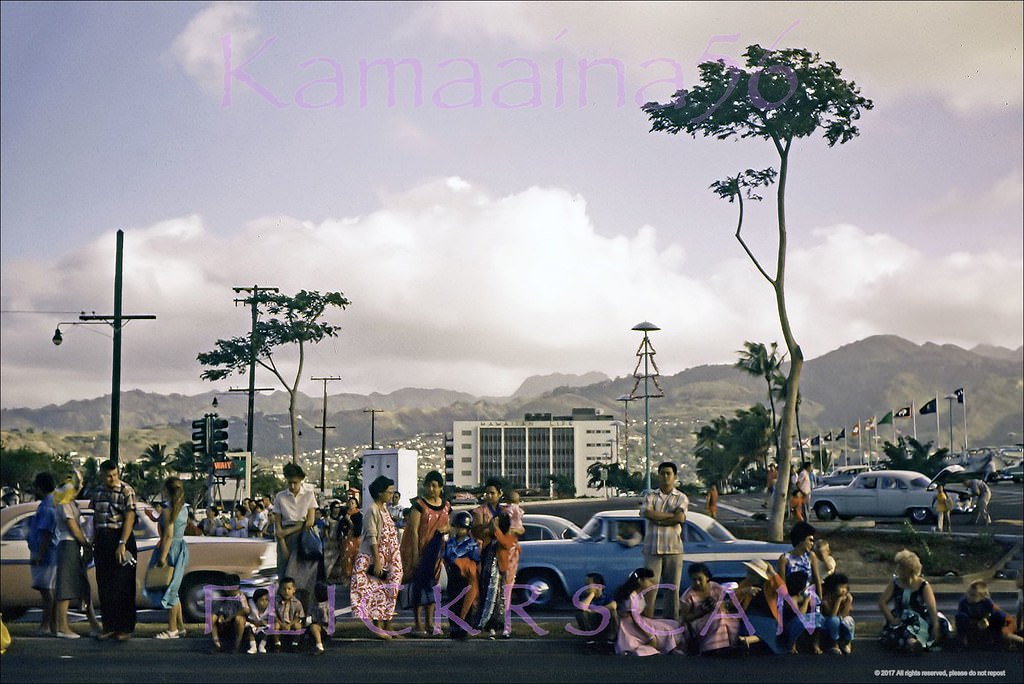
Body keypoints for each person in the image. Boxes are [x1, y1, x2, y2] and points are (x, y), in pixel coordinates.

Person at [89, 459, 138, 641]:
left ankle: (124, 628)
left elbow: (130, 517)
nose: (112, 479)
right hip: (103, 538)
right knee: (105, 584)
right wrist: (92, 542)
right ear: (102, 475)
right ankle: (109, 626)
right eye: (109, 476)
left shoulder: (126, 490)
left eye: (115, 475)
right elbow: (95, 518)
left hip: (121, 537)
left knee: (123, 584)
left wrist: (122, 543)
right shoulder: (98, 491)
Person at [350, 475, 403, 639]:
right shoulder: (372, 510)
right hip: (376, 555)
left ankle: (388, 623)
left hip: (390, 555)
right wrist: (378, 561)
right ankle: (378, 625)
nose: (391, 495)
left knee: (392, 587)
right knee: (376, 590)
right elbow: (372, 536)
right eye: (388, 492)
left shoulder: (384, 509)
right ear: (380, 493)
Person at [52, 471, 101, 639]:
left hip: (73, 545)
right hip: (68, 544)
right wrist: (86, 543)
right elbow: (73, 527)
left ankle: (92, 623)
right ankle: (62, 626)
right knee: (65, 586)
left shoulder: (71, 503)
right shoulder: (65, 503)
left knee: (82, 586)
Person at [402, 471, 451, 637]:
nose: (431, 489)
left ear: (441, 488)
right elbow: (413, 532)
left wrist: (444, 530)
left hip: (437, 553)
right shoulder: (419, 506)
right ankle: (418, 623)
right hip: (421, 551)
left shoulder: (446, 506)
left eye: (435, 486)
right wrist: (415, 555)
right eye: (429, 485)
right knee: (418, 587)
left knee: (433, 588)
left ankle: (430, 622)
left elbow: (449, 525)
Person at [639, 462, 688, 621]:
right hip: (652, 549)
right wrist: (670, 516)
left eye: (668, 473)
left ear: (674, 477)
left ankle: (671, 625)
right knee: (649, 589)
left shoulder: (681, 497)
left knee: (672, 591)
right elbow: (647, 513)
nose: (665, 476)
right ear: (658, 476)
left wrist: (658, 518)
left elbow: (680, 518)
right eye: (662, 473)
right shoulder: (650, 496)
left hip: (673, 549)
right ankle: (647, 624)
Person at [147, 476, 190, 640]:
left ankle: (172, 628)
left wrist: (162, 557)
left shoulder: (168, 509)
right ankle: (180, 627)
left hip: (170, 549)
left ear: (166, 491)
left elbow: (168, 536)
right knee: (175, 589)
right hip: (181, 549)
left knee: (170, 591)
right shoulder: (184, 509)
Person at [272, 463, 320, 610]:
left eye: (295, 482)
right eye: (290, 482)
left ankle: (304, 612)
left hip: (304, 537)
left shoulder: (308, 494)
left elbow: (310, 521)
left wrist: (287, 532)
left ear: (301, 480)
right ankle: (284, 612)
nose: (293, 486)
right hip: (286, 539)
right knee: (285, 575)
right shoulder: (280, 497)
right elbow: (277, 526)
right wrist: (283, 542)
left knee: (306, 579)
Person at [879, 548, 946, 652]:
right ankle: (912, 643)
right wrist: (892, 619)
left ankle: (914, 642)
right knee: (901, 628)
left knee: (940, 626)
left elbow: (931, 607)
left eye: (901, 567)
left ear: (909, 570)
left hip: (920, 620)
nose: (897, 569)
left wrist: (935, 626)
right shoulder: (895, 583)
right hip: (901, 618)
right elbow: (882, 602)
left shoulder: (923, 585)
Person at [613, 567, 684, 656]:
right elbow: (636, 620)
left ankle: (672, 647)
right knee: (666, 629)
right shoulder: (632, 597)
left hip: (639, 620)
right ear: (640, 581)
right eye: (649, 581)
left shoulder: (640, 594)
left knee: (673, 624)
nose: (652, 583)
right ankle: (669, 648)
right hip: (630, 626)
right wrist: (649, 636)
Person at [678, 562, 739, 654]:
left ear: (707, 578)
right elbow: (684, 618)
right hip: (698, 621)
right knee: (717, 619)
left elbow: (726, 603)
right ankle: (711, 648)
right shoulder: (687, 596)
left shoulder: (715, 587)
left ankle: (728, 645)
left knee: (728, 618)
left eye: (700, 579)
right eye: (694, 580)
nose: (697, 582)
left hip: (717, 615)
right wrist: (702, 611)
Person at [732, 558, 788, 655]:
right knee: (749, 623)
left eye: (752, 573)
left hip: (768, 616)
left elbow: (783, 591)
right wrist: (745, 591)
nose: (749, 575)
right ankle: (747, 640)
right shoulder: (746, 584)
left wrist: (773, 573)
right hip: (751, 615)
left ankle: (747, 640)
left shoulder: (770, 584)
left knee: (770, 627)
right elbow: (734, 599)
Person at [27, 472, 58, 636]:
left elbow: (46, 533)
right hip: (45, 552)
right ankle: (52, 625)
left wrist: (39, 554)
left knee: (47, 591)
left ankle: (46, 625)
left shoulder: (47, 506)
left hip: (46, 555)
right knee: (45, 589)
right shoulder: (48, 504)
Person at [955, 579, 1022, 650]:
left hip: (1004, 622)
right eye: (968, 593)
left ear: (982, 597)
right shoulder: (964, 602)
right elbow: (960, 617)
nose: (968, 596)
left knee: (1003, 634)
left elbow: (1001, 617)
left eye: (973, 595)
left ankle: (1015, 642)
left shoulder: (987, 604)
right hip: (977, 623)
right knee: (960, 618)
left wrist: (988, 622)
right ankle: (963, 642)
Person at [778, 521, 822, 601]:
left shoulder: (811, 556)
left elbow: (817, 580)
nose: (812, 543)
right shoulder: (784, 559)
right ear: (801, 540)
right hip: (792, 599)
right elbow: (782, 584)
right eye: (810, 540)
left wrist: (820, 599)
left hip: (809, 598)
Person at [817, 572, 855, 655]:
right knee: (834, 620)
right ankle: (834, 643)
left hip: (840, 621)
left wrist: (849, 601)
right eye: (841, 587)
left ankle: (847, 642)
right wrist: (839, 600)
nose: (843, 590)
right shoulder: (827, 599)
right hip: (828, 623)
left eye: (845, 587)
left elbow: (844, 615)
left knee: (849, 620)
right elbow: (832, 615)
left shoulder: (847, 598)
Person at [575, 572, 617, 645]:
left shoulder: (607, 596)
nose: (585, 587)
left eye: (588, 585)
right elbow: (582, 607)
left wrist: (594, 611)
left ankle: (610, 640)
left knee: (612, 612)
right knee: (580, 613)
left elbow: (613, 606)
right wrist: (592, 594)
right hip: (593, 625)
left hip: (606, 626)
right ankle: (590, 640)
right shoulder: (586, 597)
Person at [210, 575, 248, 652]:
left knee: (239, 619)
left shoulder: (241, 597)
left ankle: (237, 645)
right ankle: (217, 643)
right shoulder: (225, 596)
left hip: (235, 621)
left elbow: (246, 610)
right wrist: (221, 616)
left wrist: (231, 617)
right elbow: (220, 609)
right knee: (212, 618)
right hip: (225, 620)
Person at [272, 577, 305, 651]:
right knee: (275, 625)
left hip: (291, 622)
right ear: (280, 590)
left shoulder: (297, 603)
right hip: (280, 622)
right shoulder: (276, 602)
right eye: (284, 589)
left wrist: (289, 625)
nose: (286, 591)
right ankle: (277, 644)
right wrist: (281, 624)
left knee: (298, 626)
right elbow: (273, 615)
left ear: (294, 590)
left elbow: (299, 617)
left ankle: (295, 644)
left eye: (289, 589)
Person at [338, 496, 363, 586]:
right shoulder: (345, 514)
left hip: (355, 540)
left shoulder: (359, 515)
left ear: (356, 504)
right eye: (350, 502)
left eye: (353, 503)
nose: (351, 504)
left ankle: (355, 579)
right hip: (346, 539)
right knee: (346, 558)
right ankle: (347, 578)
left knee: (355, 558)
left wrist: (349, 521)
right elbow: (340, 527)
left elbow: (358, 529)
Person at [307, 582, 333, 655]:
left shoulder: (325, 606)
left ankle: (319, 646)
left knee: (314, 626)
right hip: (318, 625)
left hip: (325, 628)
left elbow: (326, 620)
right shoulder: (314, 604)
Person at [244, 588, 271, 654]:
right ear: (256, 601)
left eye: (266, 600)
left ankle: (262, 646)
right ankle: (253, 646)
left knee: (269, 628)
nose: (265, 602)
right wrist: (254, 622)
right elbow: (248, 617)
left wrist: (265, 623)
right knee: (249, 628)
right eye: (262, 600)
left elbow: (273, 619)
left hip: (264, 626)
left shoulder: (270, 608)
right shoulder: (251, 606)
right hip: (253, 624)